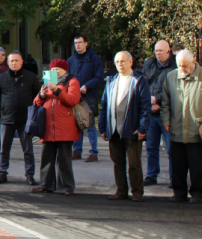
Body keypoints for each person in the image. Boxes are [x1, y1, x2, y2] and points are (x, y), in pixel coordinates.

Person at [98, 52, 151, 202]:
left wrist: (142, 128)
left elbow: (145, 108)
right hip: (114, 129)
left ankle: (137, 192)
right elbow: (105, 106)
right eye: (117, 62)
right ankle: (121, 191)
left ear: (130, 62)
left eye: (123, 61)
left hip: (132, 129)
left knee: (134, 163)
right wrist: (103, 127)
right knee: (118, 162)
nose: (120, 64)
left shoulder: (139, 81)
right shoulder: (111, 80)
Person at [31, 58, 82, 195]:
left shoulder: (72, 81)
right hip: (48, 127)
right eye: (52, 69)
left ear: (65, 70)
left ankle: (68, 186)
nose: (54, 71)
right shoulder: (48, 82)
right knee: (47, 158)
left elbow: (72, 100)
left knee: (64, 159)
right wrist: (41, 95)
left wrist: (57, 90)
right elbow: (36, 103)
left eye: (57, 69)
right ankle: (45, 184)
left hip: (65, 127)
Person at [0, 51, 41, 185]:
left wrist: (35, 115)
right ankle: (2, 173)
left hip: (25, 119)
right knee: (3, 149)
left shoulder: (31, 77)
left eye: (16, 60)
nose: (14, 63)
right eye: (11, 61)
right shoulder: (1, 78)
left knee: (28, 150)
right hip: (6, 118)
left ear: (22, 62)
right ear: (8, 63)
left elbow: (38, 97)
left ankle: (30, 174)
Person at [160, 49, 202, 203]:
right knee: (178, 164)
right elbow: (165, 102)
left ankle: (197, 193)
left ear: (193, 62)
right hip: (176, 128)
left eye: (185, 66)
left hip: (196, 129)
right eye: (179, 66)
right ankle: (179, 192)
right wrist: (165, 120)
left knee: (197, 165)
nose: (182, 69)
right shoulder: (171, 77)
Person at [142, 40, 176, 187]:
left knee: (171, 149)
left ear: (169, 51)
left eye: (161, 51)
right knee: (151, 147)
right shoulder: (149, 64)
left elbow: (174, 88)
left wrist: (158, 99)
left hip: (167, 113)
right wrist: (150, 101)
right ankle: (151, 175)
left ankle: (174, 177)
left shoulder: (175, 66)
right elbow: (143, 84)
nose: (158, 53)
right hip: (151, 112)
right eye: (156, 51)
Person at [67, 34, 105, 162]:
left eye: (80, 42)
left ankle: (93, 152)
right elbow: (66, 76)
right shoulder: (71, 60)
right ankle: (77, 150)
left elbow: (99, 77)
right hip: (74, 97)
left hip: (89, 97)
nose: (77, 45)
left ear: (86, 43)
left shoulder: (94, 59)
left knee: (90, 125)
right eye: (76, 42)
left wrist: (86, 86)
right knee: (76, 124)